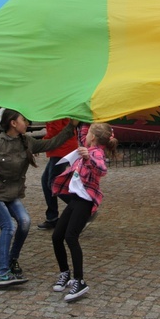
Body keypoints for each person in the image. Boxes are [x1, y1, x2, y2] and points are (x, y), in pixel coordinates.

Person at [0, 109, 77, 287]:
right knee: (9, 226)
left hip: (12, 193)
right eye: (24, 120)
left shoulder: (26, 141)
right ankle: (2, 274)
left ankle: (12, 260)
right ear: (13, 123)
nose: (28, 123)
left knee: (24, 222)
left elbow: (52, 143)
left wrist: (71, 126)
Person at [50, 122, 117, 302]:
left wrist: (89, 158)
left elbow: (102, 169)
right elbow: (83, 133)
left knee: (71, 237)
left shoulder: (95, 153)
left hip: (84, 202)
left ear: (93, 138)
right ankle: (65, 273)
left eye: (88, 135)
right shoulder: (88, 146)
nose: (84, 137)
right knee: (57, 236)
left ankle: (79, 281)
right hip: (74, 200)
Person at [37, 119, 79, 230]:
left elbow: (55, 131)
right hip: (61, 148)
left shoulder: (55, 109)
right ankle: (52, 217)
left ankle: (81, 208)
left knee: (53, 183)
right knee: (46, 181)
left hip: (61, 149)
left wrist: (41, 143)